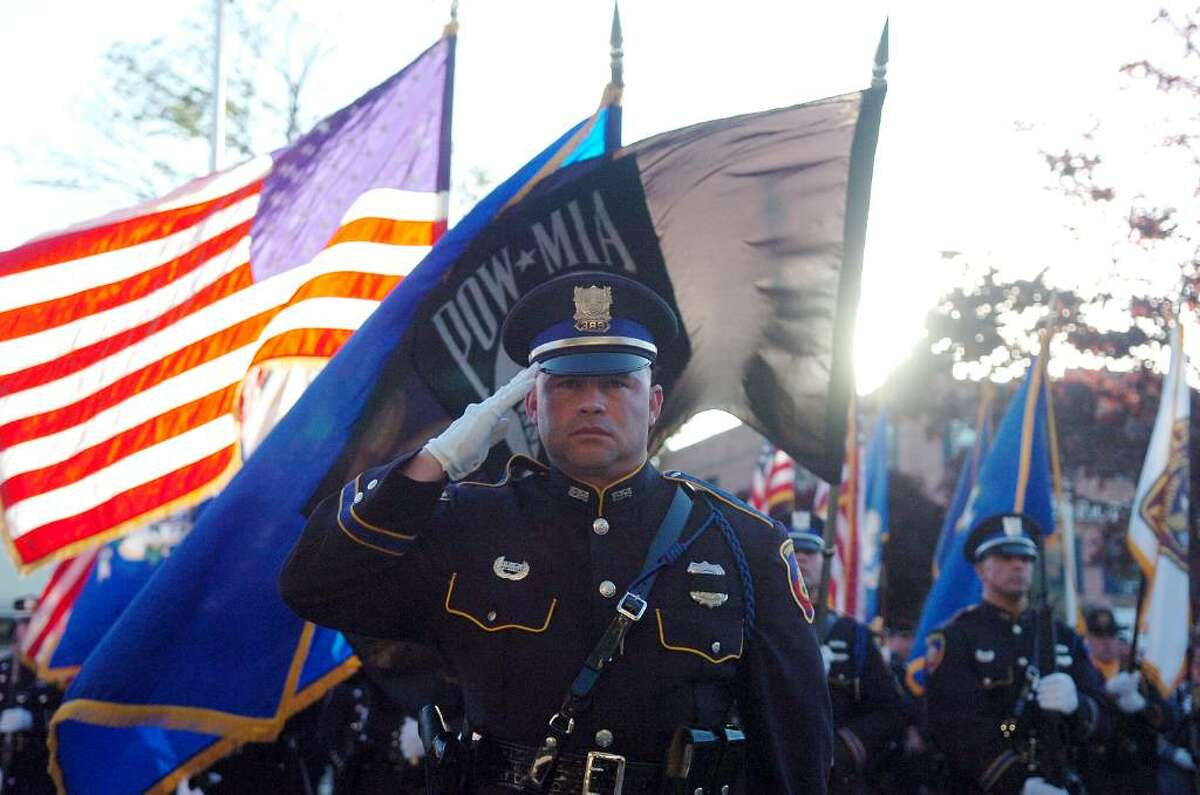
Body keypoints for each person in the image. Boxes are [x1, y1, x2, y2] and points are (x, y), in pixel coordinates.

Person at [280, 270, 833, 793]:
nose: (592, 401)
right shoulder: (468, 524)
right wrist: (433, 463)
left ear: (655, 404)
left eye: (616, 383)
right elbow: (315, 586)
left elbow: (794, 749)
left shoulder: (740, 543)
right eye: (567, 384)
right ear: (531, 403)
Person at [925, 513, 1110, 795]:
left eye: (1026, 558)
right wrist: (1017, 782)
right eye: (1004, 557)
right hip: (988, 785)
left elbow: (1102, 712)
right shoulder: (957, 637)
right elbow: (956, 725)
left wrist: (1079, 705)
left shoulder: (1063, 636)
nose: (1018, 565)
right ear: (981, 570)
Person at [789, 526, 904, 794]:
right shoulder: (753, 629)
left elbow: (890, 712)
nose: (801, 558)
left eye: (810, 551)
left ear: (828, 559)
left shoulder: (855, 637)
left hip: (835, 780)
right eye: (792, 549)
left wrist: (840, 750)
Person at [1081, 605, 1179, 794]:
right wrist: (1106, 694)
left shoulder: (1140, 675)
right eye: (1099, 636)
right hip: (1097, 775)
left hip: (1138, 775)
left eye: (1110, 635)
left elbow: (1169, 719)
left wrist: (1144, 707)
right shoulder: (1082, 675)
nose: (1106, 642)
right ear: (1089, 638)